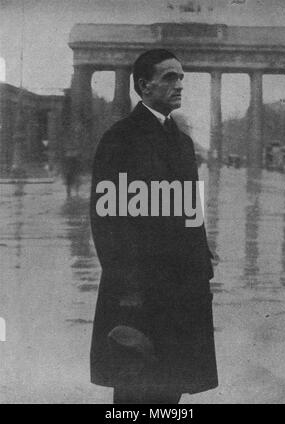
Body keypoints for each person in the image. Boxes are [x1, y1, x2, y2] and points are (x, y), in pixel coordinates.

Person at [90, 49, 218, 404]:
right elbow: (107, 222)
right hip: (141, 291)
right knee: (136, 385)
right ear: (144, 86)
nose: (179, 85)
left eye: (181, 78)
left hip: (181, 291)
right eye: (169, 78)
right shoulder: (121, 138)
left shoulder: (181, 141)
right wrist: (127, 290)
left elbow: (190, 209)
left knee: (170, 387)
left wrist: (203, 264)